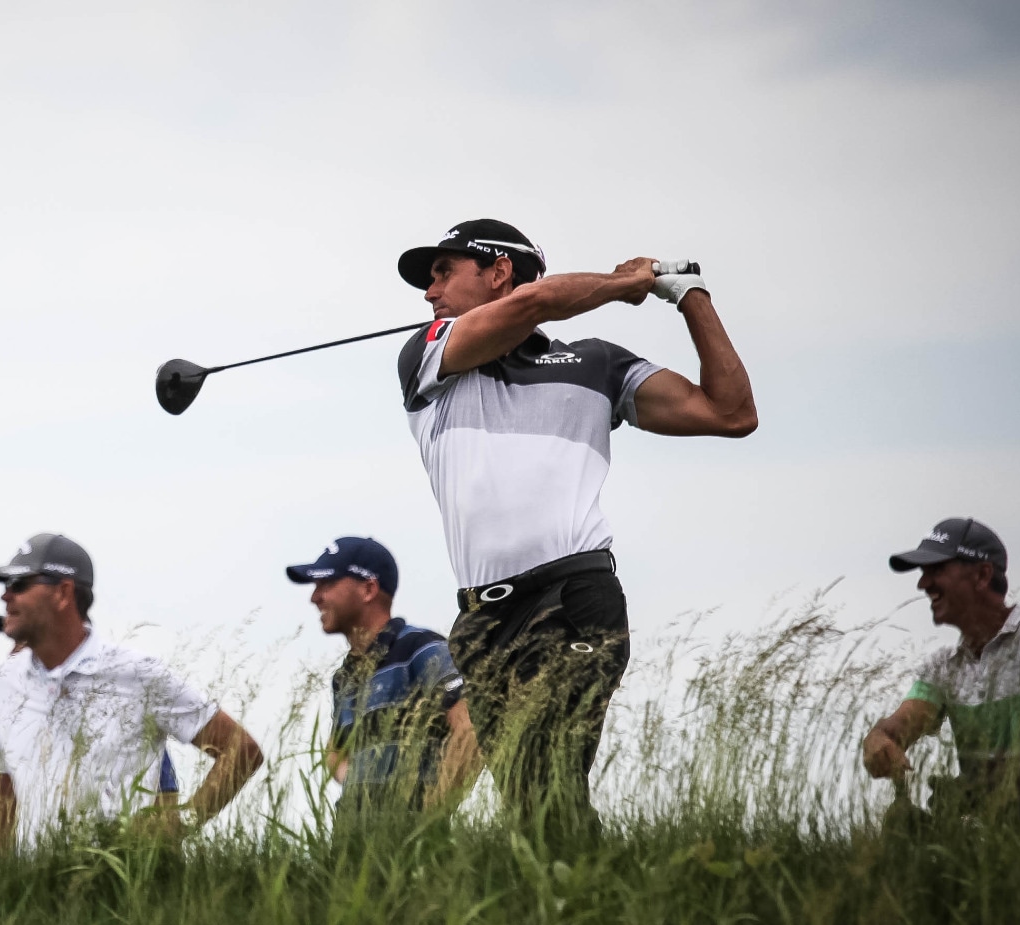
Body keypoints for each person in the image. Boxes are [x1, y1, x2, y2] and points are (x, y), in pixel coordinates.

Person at [393, 219, 758, 829]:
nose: (429, 293)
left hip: (574, 595)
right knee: (537, 810)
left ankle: (588, 910)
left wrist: (688, 294)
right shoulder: (428, 353)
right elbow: (535, 302)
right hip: (483, 620)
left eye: (443, 273)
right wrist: (623, 283)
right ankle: (585, 911)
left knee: (548, 782)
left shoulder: (596, 362)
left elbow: (731, 412)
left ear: (498, 271)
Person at [0, 532, 265, 853]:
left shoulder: (138, 674)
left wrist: (181, 826)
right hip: (38, 892)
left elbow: (242, 751)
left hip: (123, 890)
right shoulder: (3, 682)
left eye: (19, 585)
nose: (5, 597)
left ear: (63, 593)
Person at [862, 518, 1020, 825]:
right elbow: (899, 726)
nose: (923, 584)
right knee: (900, 821)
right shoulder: (942, 665)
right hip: (977, 838)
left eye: (937, 570)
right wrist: (878, 740)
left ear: (981, 575)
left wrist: (975, 792)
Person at [285, 536, 478, 818]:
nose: (315, 597)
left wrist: (432, 813)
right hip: (352, 845)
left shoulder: (421, 648)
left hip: (414, 848)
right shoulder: (344, 676)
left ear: (368, 588)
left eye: (326, 584)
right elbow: (335, 749)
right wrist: (359, 785)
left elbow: (469, 729)